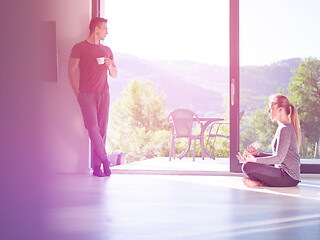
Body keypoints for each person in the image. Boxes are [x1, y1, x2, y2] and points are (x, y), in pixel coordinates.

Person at [68, 17, 118, 177]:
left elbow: (115, 74)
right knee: (93, 129)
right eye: (105, 29)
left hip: (104, 94)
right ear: (97, 29)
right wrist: (78, 94)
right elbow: (71, 71)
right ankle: (105, 161)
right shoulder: (79, 47)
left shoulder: (107, 50)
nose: (107, 32)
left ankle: (97, 168)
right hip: (86, 94)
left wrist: (110, 66)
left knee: (102, 130)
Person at [237, 94, 301, 187]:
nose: (268, 111)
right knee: (249, 163)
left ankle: (259, 183)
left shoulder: (285, 129)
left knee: (248, 166)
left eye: (271, 108)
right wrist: (258, 155)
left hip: (288, 177)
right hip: (284, 173)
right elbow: (279, 157)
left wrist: (255, 160)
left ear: (280, 109)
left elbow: (278, 159)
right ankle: (260, 182)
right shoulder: (283, 127)